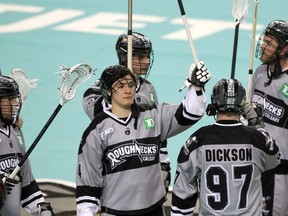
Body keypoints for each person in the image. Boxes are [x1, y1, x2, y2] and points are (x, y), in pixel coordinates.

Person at [76, 63, 211, 216]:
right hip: (115, 211)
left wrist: (196, 86)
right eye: (119, 86)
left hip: (153, 209)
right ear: (107, 92)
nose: (127, 90)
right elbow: (87, 182)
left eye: (130, 84)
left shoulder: (154, 116)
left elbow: (190, 112)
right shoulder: (96, 131)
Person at [170, 78, 281, 216]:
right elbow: (274, 160)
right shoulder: (257, 140)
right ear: (242, 103)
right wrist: (257, 126)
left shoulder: (198, 140)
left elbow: (183, 192)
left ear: (215, 102)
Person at [82, 32, 171, 193]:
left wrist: (164, 163)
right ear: (125, 57)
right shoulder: (99, 89)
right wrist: (125, 90)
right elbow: (98, 113)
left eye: (147, 56)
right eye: (140, 57)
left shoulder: (149, 88)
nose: (147, 61)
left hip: (144, 170)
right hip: (114, 168)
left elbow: (157, 128)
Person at [0, 75, 55, 216]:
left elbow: (27, 185)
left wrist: (40, 207)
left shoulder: (16, 132)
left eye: (15, 98)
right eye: (10, 99)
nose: (16, 103)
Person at [252, 20, 288, 216]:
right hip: (258, 162)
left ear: (284, 48)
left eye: (270, 43)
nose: (263, 47)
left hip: (281, 169)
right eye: (264, 41)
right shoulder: (259, 72)